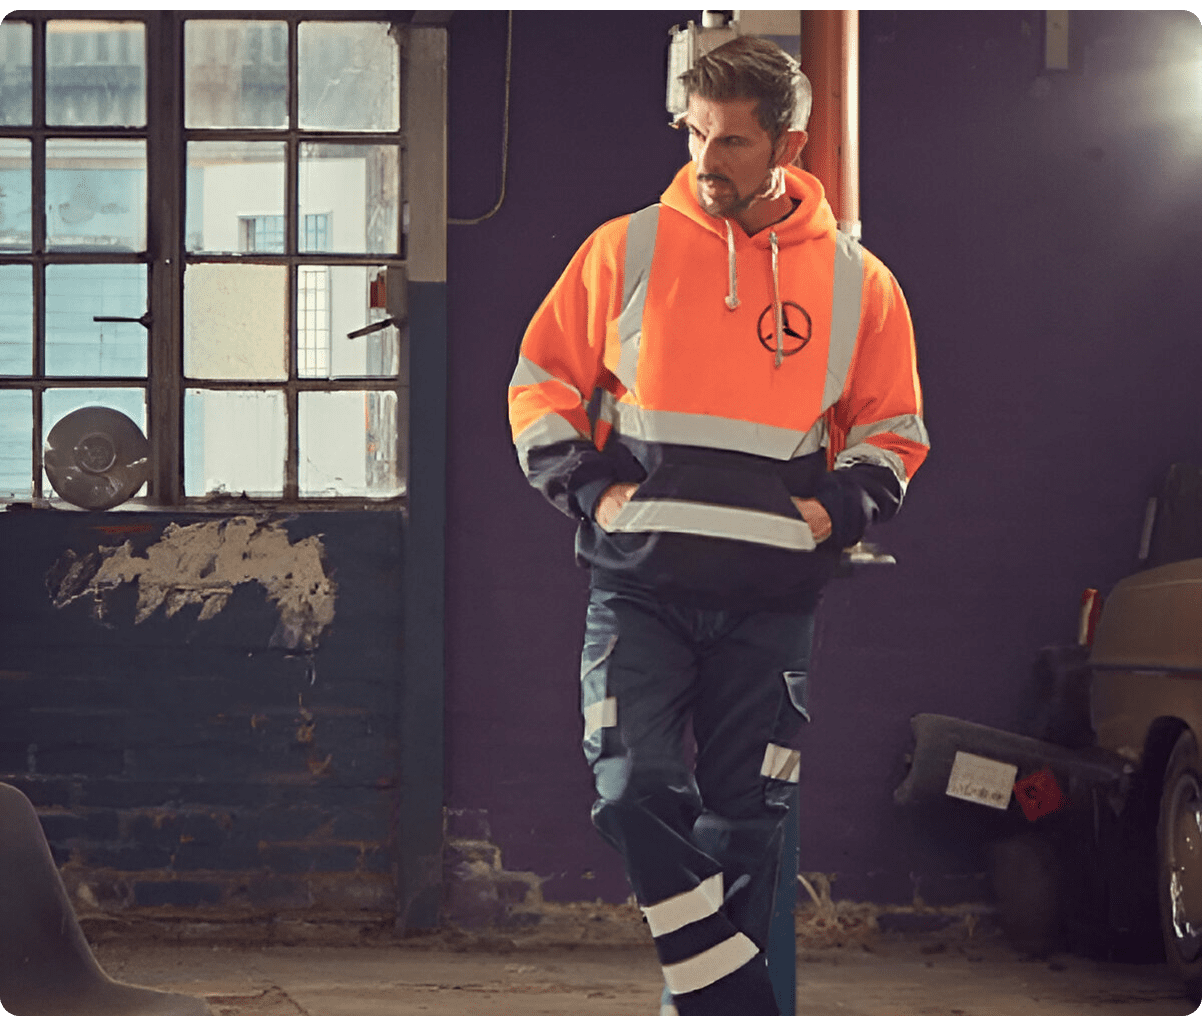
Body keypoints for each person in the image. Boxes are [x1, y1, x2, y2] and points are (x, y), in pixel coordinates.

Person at [507, 35, 928, 1016]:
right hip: (639, 586)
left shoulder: (858, 282)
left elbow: (892, 428)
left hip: (771, 598)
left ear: (787, 142)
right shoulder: (624, 248)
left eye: (733, 141)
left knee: (749, 823)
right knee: (630, 788)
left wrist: (839, 503)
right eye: (695, 134)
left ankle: (699, 1003)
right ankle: (735, 997)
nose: (706, 160)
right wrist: (588, 486)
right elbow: (538, 387)